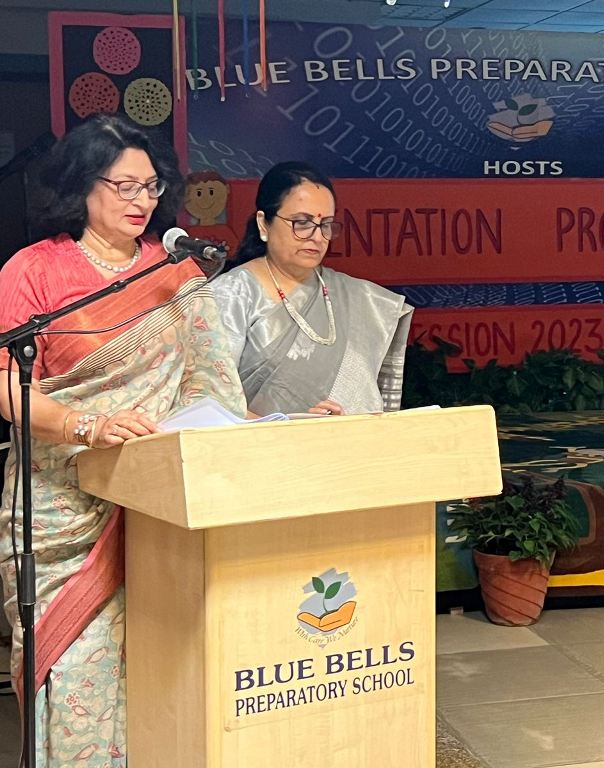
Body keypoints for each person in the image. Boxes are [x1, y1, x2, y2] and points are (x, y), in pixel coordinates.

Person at [0, 113, 245, 766]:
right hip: (62, 510)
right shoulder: (34, 271)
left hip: (160, 508)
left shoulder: (177, 273)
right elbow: (4, 386)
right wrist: (87, 426)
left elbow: (212, 386)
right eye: (125, 186)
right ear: (83, 186)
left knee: (168, 673)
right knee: (75, 671)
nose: (142, 201)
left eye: (152, 186)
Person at [212, 162, 413, 416]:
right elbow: (212, 401)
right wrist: (293, 427)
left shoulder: (360, 300)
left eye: (325, 224)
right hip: (260, 441)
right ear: (264, 224)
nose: (317, 237)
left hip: (343, 440)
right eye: (302, 223)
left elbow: (367, 403)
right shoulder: (231, 294)